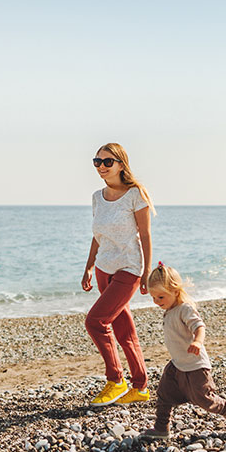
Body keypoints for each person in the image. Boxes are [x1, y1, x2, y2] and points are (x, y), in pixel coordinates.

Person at [81, 142, 155, 407]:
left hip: (129, 269)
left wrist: (146, 272)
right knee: (124, 330)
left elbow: (145, 235)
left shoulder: (136, 194)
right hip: (104, 268)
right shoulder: (96, 197)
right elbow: (97, 236)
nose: (101, 167)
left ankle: (116, 380)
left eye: (107, 162)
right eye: (97, 162)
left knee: (95, 322)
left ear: (121, 164)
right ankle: (141, 386)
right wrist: (89, 266)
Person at [141, 262, 226, 439]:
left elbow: (199, 326)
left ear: (176, 291)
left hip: (195, 365)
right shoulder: (170, 310)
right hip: (177, 364)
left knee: (203, 399)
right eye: (153, 298)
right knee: (164, 394)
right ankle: (161, 428)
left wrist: (197, 341)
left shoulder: (184, 309)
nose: (156, 302)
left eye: (160, 297)